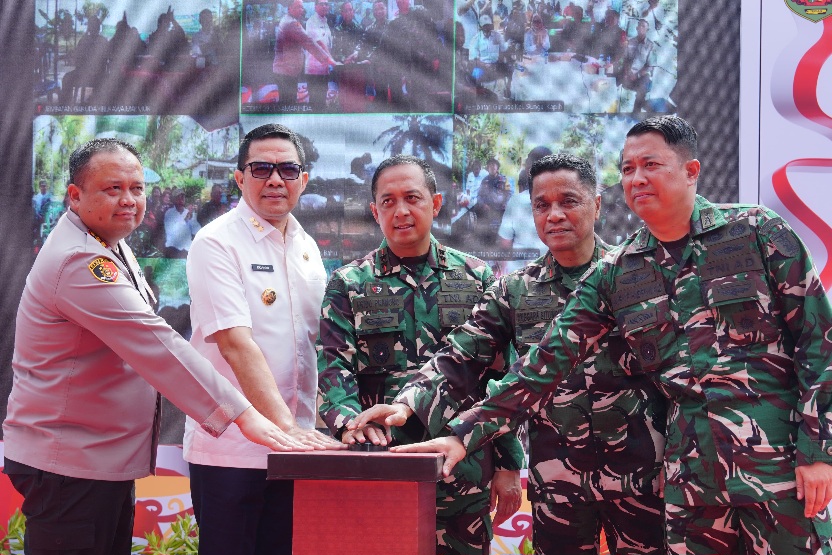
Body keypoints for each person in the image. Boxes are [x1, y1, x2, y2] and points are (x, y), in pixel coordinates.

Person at [381, 116, 832, 555]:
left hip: (779, 470)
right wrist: (464, 433)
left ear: (691, 171)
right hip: (693, 486)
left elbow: (819, 343)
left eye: (650, 165)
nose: (636, 178)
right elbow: (544, 363)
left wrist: (819, 451)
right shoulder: (618, 273)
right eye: (628, 169)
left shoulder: (755, 231)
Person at [2, 138, 317, 555]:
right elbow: (156, 344)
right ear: (75, 196)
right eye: (113, 189)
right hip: (69, 462)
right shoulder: (80, 259)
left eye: (137, 188)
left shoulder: (108, 244)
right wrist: (244, 415)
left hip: (93, 458)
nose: (129, 200)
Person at [353, 153, 667, 554]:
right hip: (558, 484)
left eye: (568, 201)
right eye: (541, 205)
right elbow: (462, 354)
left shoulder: (640, 278)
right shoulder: (515, 290)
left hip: (639, 478)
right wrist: (407, 403)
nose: (554, 215)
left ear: (597, 205)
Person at [317, 154, 525, 555]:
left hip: (464, 469)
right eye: (388, 201)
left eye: (412, 197)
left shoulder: (476, 277)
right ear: (375, 212)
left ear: (436, 203)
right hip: (382, 464)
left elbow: (503, 375)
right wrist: (348, 424)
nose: (401, 211)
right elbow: (333, 367)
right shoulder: (349, 283)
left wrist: (508, 463)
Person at [184, 124, 342, 555]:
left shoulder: (306, 247)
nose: (275, 180)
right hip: (233, 449)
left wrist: (306, 430)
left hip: (296, 448)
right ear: (239, 178)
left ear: (303, 180)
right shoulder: (216, 243)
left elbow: (319, 344)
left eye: (287, 170)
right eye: (261, 169)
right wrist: (285, 428)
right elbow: (235, 345)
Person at [498, 146, 552, 273]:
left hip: (521, 275)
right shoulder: (566, 203)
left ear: (528, 171)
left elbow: (505, 243)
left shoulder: (516, 202)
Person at [273, 0, 337, 105]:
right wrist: (329, 60)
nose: (302, 10)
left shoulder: (290, 20)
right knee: (288, 104)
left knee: (288, 103)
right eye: (298, 7)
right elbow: (309, 42)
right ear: (289, 8)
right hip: (286, 71)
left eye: (302, 7)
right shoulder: (291, 23)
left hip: (287, 71)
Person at [305, 0, 335, 109]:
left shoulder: (325, 21)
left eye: (326, 4)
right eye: (321, 4)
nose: (324, 6)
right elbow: (320, 43)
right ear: (315, 6)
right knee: (315, 103)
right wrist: (331, 59)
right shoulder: (312, 21)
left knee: (322, 102)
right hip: (314, 70)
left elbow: (328, 44)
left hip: (324, 69)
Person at [621, 18, 655, 113]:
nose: (640, 27)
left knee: (642, 88)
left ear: (647, 30)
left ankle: (636, 112)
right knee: (615, 78)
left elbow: (650, 66)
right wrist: (627, 71)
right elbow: (626, 58)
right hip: (629, 72)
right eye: (639, 25)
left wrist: (637, 75)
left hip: (642, 74)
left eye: (643, 26)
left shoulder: (650, 45)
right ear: (636, 28)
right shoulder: (630, 42)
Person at [163, 188, 201, 258]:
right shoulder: (169, 213)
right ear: (174, 199)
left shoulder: (188, 212)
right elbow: (173, 232)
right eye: (179, 197)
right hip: (173, 249)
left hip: (187, 249)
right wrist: (186, 219)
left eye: (183, 197)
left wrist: (195, 214)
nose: (181, 199)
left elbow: (196, 231)